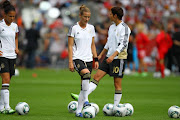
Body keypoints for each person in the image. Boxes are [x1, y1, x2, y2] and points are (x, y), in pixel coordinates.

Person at [71, 6, 131, 108]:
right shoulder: (112, 27)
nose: (109, 15)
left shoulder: (125, 28)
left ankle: (115, 107)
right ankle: (83, 97)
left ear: (115, 15)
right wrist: (100, 55)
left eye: (110, 14)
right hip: (108, 57)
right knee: (96, 77)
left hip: (118, 58)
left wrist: (112, 56)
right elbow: (108, 43)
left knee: (117, 84)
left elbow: (123, 44)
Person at [67, 5, 99, 117]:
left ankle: (79, 111)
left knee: (83, 85)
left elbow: (92, 44)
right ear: (80, 16)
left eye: (88, 17)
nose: (86, 19)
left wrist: (96, 59)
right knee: (86, 75)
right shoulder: (74, 28)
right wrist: (70, 61)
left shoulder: (91, 28)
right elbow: (70, 46)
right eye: (85, 17)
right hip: (77, 58)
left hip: (89, 59)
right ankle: (85, 101)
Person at [0, 0, 19, 114]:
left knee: (7, 82)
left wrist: (16, 47)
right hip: (2, 56)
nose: (12, 18)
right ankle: (7, 108)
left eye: (14, 16)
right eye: (10, 16)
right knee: (6, 79)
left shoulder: (15, 26)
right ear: (4, 15)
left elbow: (16, 37)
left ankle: (1, 107)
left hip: (12, 55)